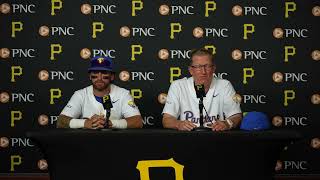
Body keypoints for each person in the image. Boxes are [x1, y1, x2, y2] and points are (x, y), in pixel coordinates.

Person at [162, 48, 242, 131]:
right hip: (187, 138)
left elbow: (236, 116)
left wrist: (227, 123)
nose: (203, 71)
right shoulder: (178, 86)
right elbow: (167, 119)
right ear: (191, 70)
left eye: (207, 66)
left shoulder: (224, 85)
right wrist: (178, 124)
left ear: (214, 68)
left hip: (216, 137)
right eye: (198, 67)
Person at [56, 56, 143, 129]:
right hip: (86, 143)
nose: (99, 78)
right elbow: (61, 121)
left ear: (112, 76)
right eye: (95, 73)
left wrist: (110, 123)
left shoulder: (123, 94)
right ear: (90, 76)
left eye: (104, 73)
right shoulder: (80, 94)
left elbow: (138, 121)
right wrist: (86, 123)